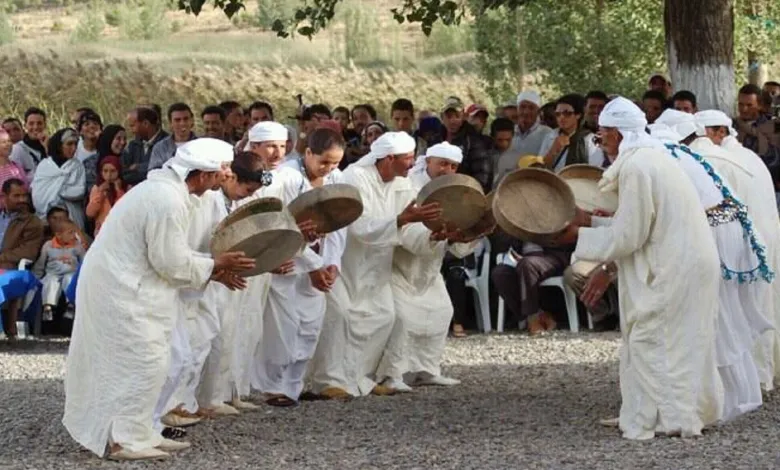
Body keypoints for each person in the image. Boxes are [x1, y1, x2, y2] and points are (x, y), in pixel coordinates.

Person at [62, 138, 255, 461]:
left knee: (153, 360)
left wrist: (212, 270)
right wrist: (216, 265)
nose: (225, 176)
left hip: (133, 285)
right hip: (120, 288)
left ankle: (140, 431)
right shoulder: (165, 199)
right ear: (204, 173)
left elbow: (171, 256)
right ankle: (123, 439)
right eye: (222, 170)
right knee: (140, 360)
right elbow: (171, 261)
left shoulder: (172, 193)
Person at [559, 97, 723, 440]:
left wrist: (581, 237)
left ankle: (675, 419)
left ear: (618, 134)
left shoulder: (637, 166)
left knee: (654, 338)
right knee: (681, 341)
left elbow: (630, 234)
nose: (600, 140)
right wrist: (596, 233)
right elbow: (637, 224)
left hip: (674, 265)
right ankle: (664, 412)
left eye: (603, 133)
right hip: (687, 261)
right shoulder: (653, 158)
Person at [309, 132, 441, 399]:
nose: (412, 164)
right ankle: (328, 380)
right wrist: (400, 220)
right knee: (342, 317)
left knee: (383, 317)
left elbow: (411, 229)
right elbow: (358, 226)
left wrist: (434, 235)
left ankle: (359, 378)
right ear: (389, 158)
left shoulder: (403, 185)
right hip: (347, 263)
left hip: (378, 266)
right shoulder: (355, 178)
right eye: (407, 158)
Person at [254, 127, 348, 406]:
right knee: (283, 329)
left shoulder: (336, 179)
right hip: (289, 265)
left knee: (309, 329)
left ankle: (293, 387)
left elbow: (339, 227)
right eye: (324, 162)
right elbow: (281, 224)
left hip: (318, 267)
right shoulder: (284, 178)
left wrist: (331, 265)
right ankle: (272, 388)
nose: (329, 168)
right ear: (307, 153)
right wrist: (313, 265)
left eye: (335, 163)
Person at [695, 109, 780, 391]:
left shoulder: (717, 159)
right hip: (763, 239)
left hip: (744, 244)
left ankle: (748, 381)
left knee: (741, 312)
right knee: (761, 307)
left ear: (719, 132)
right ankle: (762, 374)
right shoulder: (747, 157)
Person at [389, 142, 482, 388]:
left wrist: (468, 235)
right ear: (428, 162)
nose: (446, 169)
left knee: (441, 312)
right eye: (442, 163)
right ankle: (393, 375)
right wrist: (431, 236)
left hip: (429, 268)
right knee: (403, 318)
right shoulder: (405, 187)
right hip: (400, 266)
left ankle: (427, 370)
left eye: (452, 166)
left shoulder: (455, 192)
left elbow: (457, 243)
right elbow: (405, 229)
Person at [185, 151, 269, 418]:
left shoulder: (229, 202)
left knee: (226, 337)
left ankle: (216, 396)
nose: (247, 194)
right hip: (200, 276)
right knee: (197, 343)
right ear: (231, 176)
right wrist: (212, 267)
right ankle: (186, 402)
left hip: (220, 277)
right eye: (246, 188)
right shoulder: (208, 199)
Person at [0, 179, 44, 340]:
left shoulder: (32, 222)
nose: (21, 200)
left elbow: (28, 252)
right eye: (16, 196)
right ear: (4, 197)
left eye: (23, 196)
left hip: (16, 270)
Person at [31, 128, 87, 231]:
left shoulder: (77, 166)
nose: (73, 148)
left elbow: (79, 191)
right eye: (69, 144)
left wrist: (61, 191)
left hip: (71, 217)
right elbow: (37, 193)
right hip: (44, 218)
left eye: (76, 144)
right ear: (60, 145)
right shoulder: (44, 165)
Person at [32, 220, 84, 322]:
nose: (74, 235)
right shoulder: (48, 245)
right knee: (50, 282)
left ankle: (70, 306)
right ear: (58, 235)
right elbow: (41, 263)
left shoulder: (77, 246)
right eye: (70, 233)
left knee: (69, 280)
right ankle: (48, 307)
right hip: (53, 273)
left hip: (71, 272)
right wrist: (35, 277)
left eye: (74, 232)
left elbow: (84, 261)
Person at [540, 93, 603, 171]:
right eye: (558, 114)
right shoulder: (550, 136)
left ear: (578, 115)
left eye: (567, 113)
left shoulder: (590, 140)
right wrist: (553, 151)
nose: (561, 117)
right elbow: (540, 169)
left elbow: (595, 169)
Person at [122, 107, 168, 186]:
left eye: (132, 126)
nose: (131, 131)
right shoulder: (133, 145)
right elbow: (124, 173)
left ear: (146, 123)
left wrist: (138, 167)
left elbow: (163, 170)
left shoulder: (167, 143)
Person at [148, 103, 198, 172]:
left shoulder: (202, 145)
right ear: (170, 123)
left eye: (186, 119)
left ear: (192, 121)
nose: (182, 123)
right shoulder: (160, 148)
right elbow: (153, 174)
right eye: (177, 120)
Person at [86, 156, 128, 236]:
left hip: (121, 231)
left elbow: (125, 210)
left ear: (119, 171)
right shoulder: (97, 188)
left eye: (113, 171)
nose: (108, 175)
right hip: (102, 231)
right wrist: (100, 194)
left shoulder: (126, 188)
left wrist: (119, 191)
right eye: (105, 171)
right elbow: (90, 213)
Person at [85, 125, 126, 195]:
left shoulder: (125, 159)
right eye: (118, 139)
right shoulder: (92, 162)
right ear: (108, 139)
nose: (123, 142)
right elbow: (90, 190)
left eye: (124, 139)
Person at [510, 90, 552, 156]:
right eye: (522, 107)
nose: (526, 112)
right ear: (517, 109)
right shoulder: (509, 131)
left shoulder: (547, 134)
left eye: (531, 108)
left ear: (538, 111)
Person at [10, 107, 48, 180]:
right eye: (31, 123)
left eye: (39, 123)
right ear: (25, 126)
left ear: (45, 125)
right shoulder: (17, 149)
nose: (36, 127)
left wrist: (48, 148)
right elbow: (16, 179)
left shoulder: (53, 146)